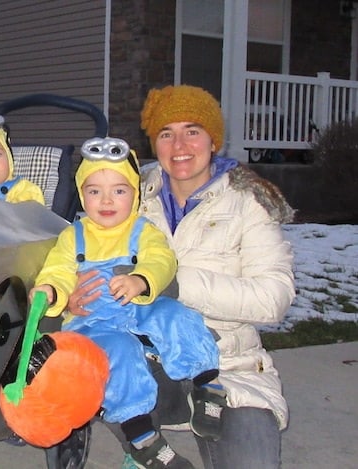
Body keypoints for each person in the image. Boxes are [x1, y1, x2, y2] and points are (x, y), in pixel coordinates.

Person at [68, 85, 296, 469]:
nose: (179, 145)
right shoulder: (126, 193)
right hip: (146, 360)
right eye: (165, 133)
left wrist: (173, 282)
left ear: (213, 139)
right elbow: (75, 251)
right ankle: (142, 445)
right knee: (94, 365)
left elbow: (274, 297)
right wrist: (73, 297)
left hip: (228, 367)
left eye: (192, 130)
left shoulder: (247, 204)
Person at [30, 137, 227, 469]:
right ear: (82, 195)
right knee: (118, 355)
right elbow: (59, 270)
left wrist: (141, 279)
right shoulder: (72, 236)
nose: (106, 200)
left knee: (175, 315)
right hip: (96, 320)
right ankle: (141, 438)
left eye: (119, 191)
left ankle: (207, 384)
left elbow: (162, 260)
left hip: (139, 307)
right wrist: (51, 290)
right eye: (94, 191)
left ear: (135, 194)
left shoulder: (143, 230)